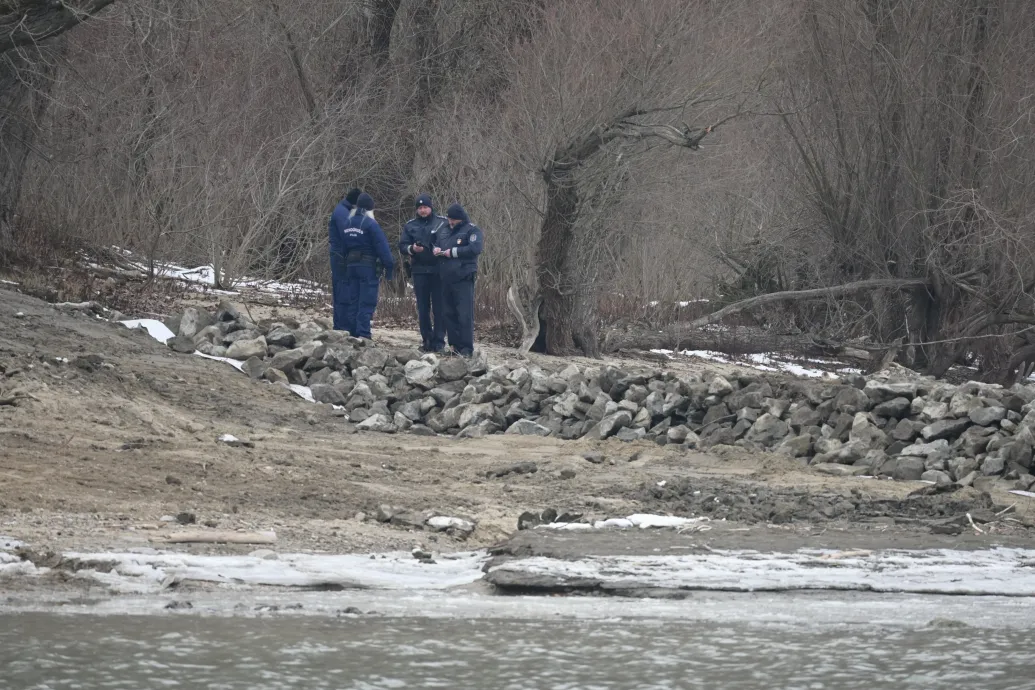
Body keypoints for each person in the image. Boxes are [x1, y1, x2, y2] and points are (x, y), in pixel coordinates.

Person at [339, 192, 394, 339]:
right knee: (366, 301)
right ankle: (363, 335)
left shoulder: (347, 223)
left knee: (353, 301)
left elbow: (343, 248)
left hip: (351, 266)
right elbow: (382, 247)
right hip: (367, 267)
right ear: (370, 209)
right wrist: (389, 267)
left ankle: (352, 333)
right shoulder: (371, 224)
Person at [399, 194, 448, 352]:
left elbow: (450, 240)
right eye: (420, 208)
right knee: (423, 307)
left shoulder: (442, 222)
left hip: (438, 270)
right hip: (419, 270)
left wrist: (440, 249)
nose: (423, 210)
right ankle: (426, 340)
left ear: (431, 207)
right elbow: (402, 245)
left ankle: (439, 341)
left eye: (425, 207)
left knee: (440, 307)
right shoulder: (410, 225)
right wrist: (412, 249)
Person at [434, 203, 483, 357]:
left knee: (464, 314)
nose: (450, 222)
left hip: (463, 278)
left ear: (460, 218)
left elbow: (475, 249)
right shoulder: (444, 230)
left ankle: (467, 348)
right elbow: (437, 242)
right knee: (448, 313)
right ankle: (454, 346)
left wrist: (453, 252)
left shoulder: (472, 230)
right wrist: (435, 249)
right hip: (446, 278)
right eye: (449, 219)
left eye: (453, 220)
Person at [328, 187, 361, 330]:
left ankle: (343, 325)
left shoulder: (344, 210)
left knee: (344, 291)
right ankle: (342, 327)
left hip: (342, 256)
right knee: (343, 292)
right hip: (341, 257)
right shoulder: (342, 213)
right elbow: (348, 234)